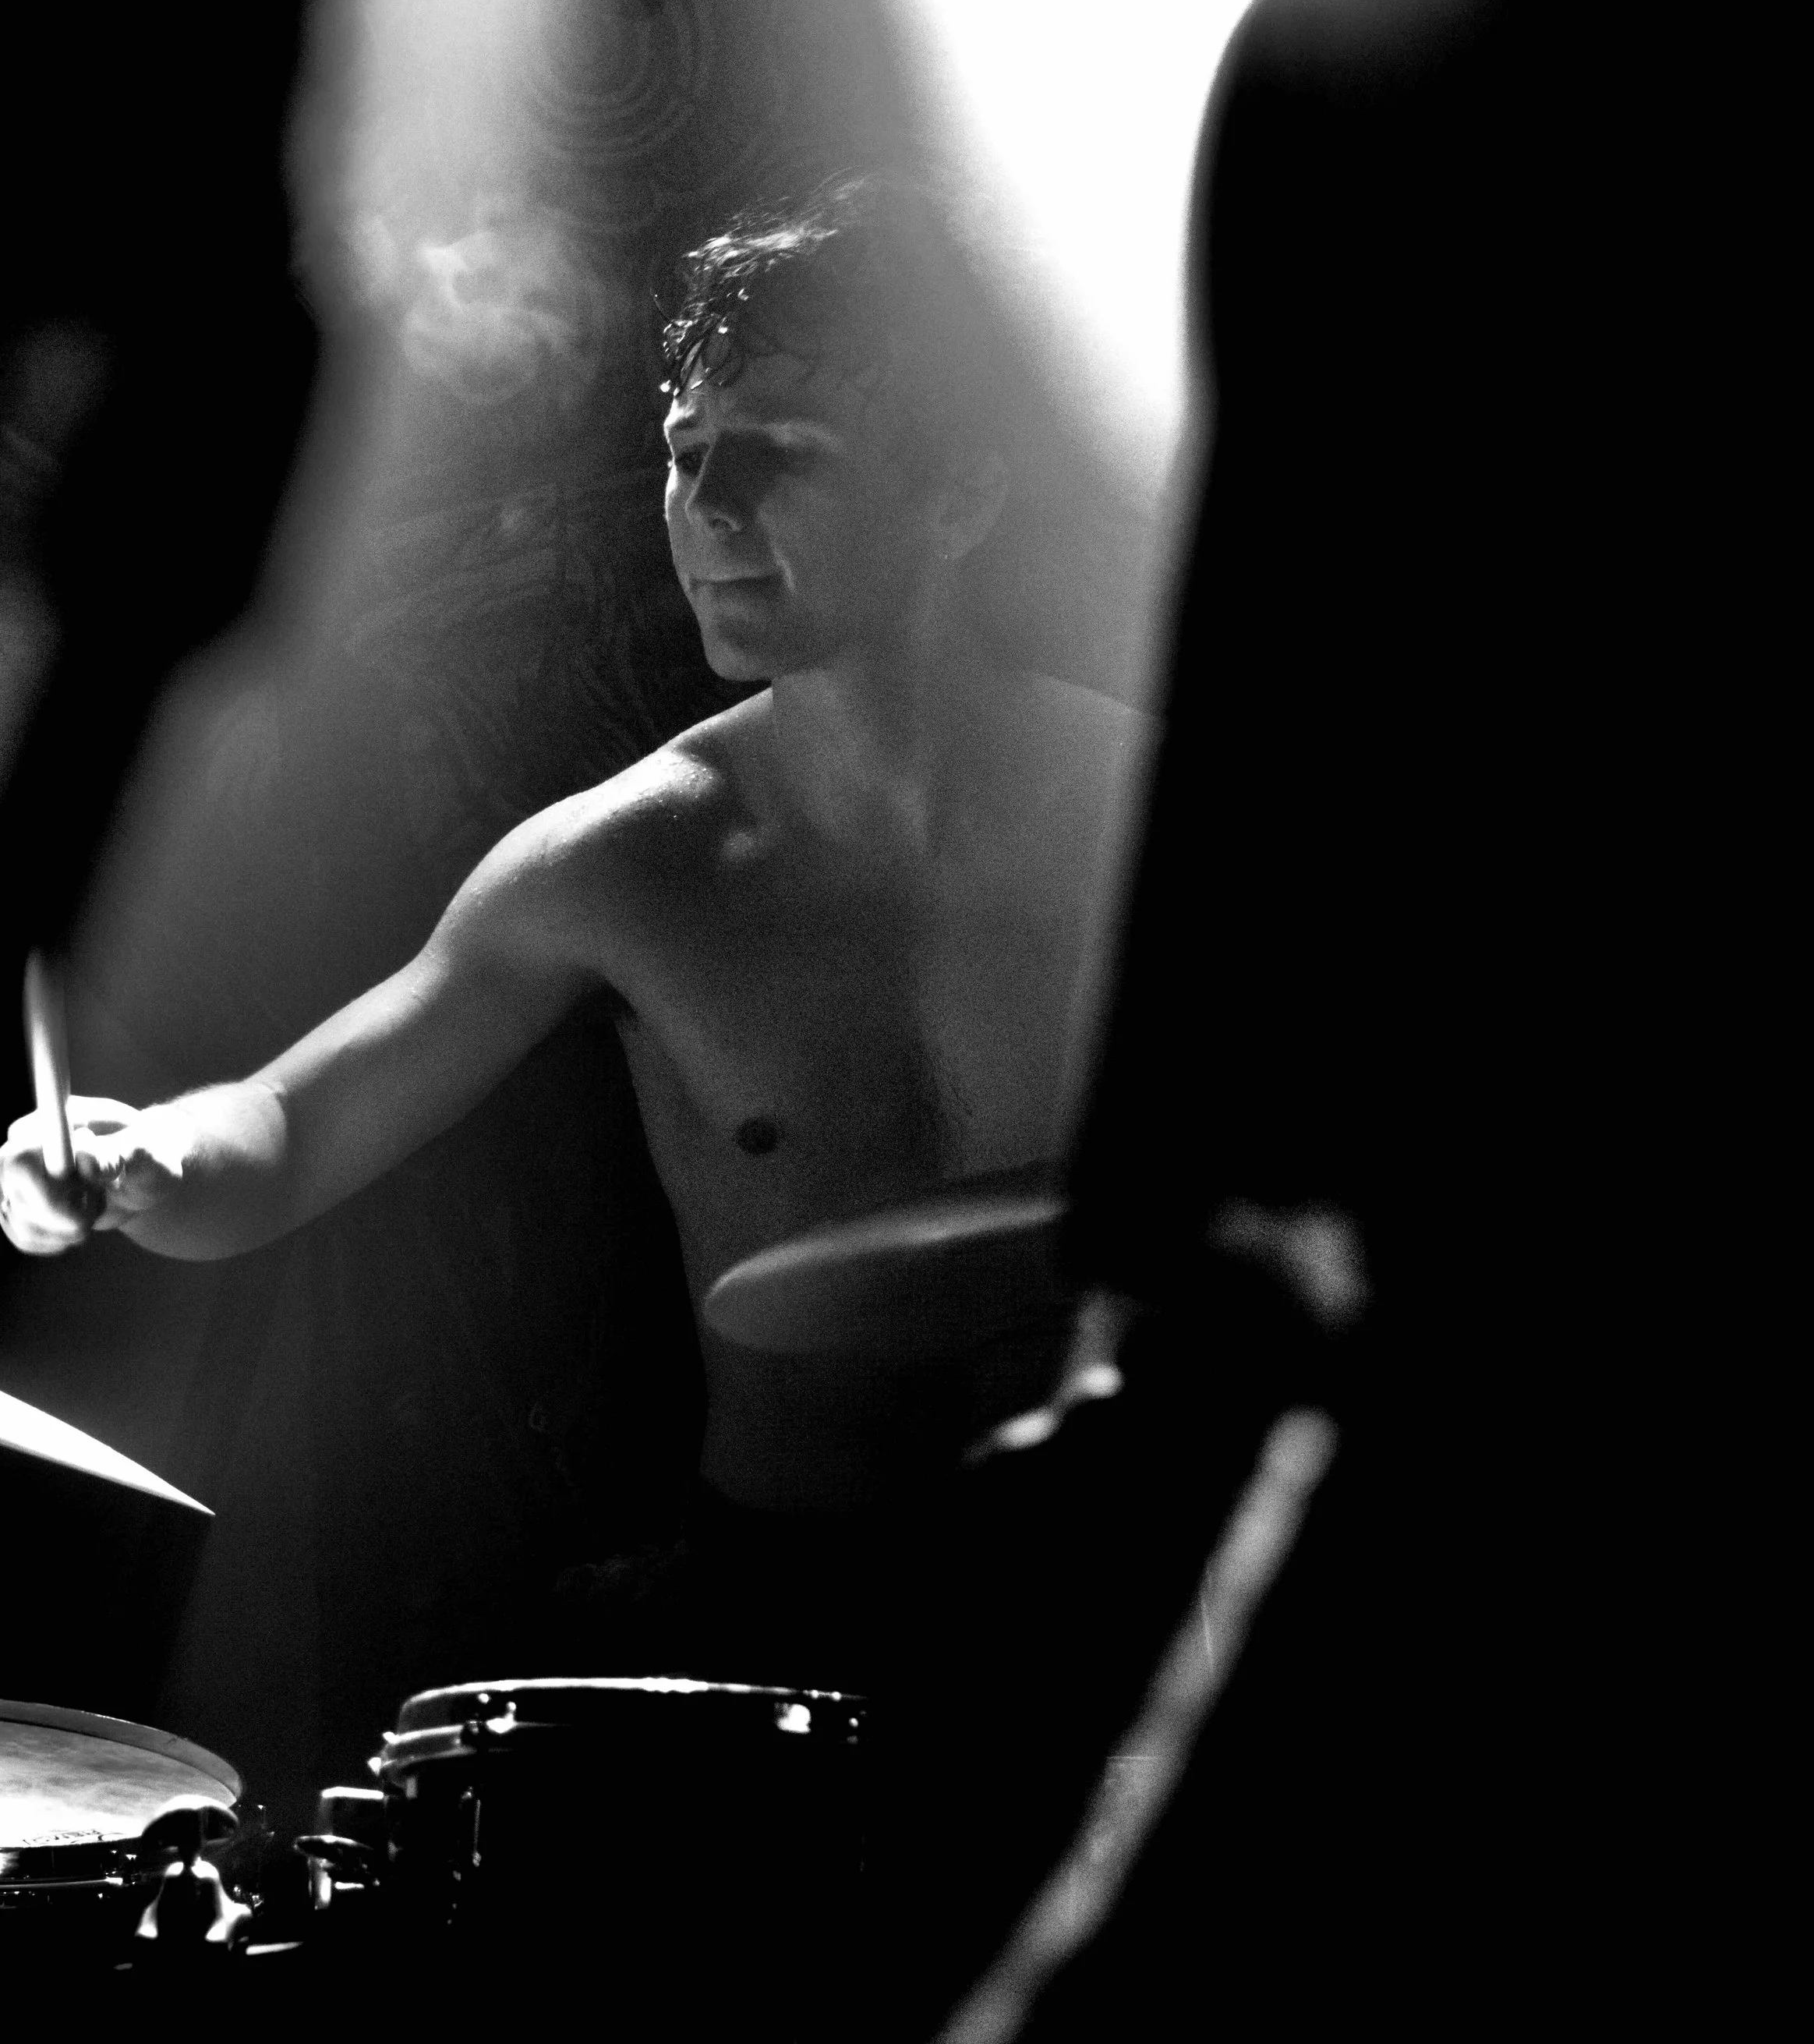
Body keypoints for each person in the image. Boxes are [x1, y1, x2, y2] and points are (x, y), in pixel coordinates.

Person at [2, 176, 1150, 1671]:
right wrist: (141, 1153)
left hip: (1119, 1583)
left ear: (960, 497)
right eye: (686, 453)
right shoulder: (623, 863)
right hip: (789, 1618)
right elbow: (285, 1132)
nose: (710, 509)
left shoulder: (1156, 813)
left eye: (785, 453)